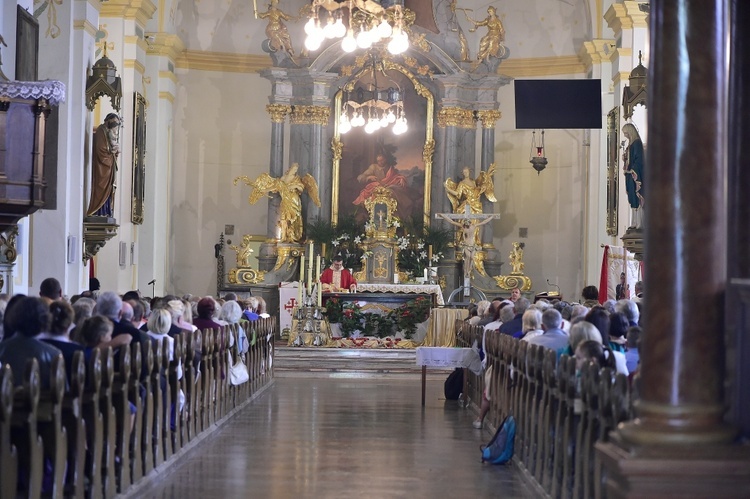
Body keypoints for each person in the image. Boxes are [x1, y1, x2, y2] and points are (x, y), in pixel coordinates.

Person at [235, 163, 320, 243]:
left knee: (294, 218)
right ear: (290, 169)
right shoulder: (283, 178)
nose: (295, 170)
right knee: (284, 218)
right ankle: (284, 236)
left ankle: (293, 236)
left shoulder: (297, 178)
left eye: (296, 169)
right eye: (294, 168)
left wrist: (293, 186)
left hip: (294, 200)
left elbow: (301, 188)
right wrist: (262, 190)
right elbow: (275, 187)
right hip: (285, 200)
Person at [0, 297, 62, 388]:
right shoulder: (53, 354)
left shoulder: (2, 348)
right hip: (42, 401)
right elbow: (61, 392)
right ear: (44, 319)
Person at [436, 213, 494, 278]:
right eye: (466, 224)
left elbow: (484, 222)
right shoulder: (463, 227)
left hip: (473, 246)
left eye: (468, 224)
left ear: (470, 223)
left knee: (472, 258)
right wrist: (443, 216)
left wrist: (491, 217)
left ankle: (469, 270)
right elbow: (451, 221)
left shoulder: (473, 226)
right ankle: (466, 271)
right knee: (468, 257)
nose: (467, 225)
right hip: (466, 246)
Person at [87, 113, 121, 217]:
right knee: (101, 188)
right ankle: (98, 211)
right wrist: (111, 151)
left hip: (109, 167)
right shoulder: (101, 131)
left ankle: (106, 211)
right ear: (108, 121)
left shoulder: (108, 132)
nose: (115, 128)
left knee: (110, 189)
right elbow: (100, 149)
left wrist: (115, 152)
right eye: (114, 124)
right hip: (102, 168)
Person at [465, 6, 507, 70]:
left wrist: (503, 38)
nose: (489, 13)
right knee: (483, 41)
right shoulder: (487, 20)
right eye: (488, 12)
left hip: (496, 35)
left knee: (491, 42)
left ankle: (485, 56)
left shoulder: (498, 21)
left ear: (494, 12)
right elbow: (479, 23)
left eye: (490, 11)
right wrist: (470, 20)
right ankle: (481, 57)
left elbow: (502, 30)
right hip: (489, 34)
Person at [622, 123, 645, 227]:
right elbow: (629, 159)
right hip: (629, 175)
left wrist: (633, 170)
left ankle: (639, 223)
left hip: (635, 174)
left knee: (637, 196)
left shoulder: (637, 144)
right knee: (632, 198)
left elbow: (639, 160)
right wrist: (625, 158)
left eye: (626, 133)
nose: (625, 135)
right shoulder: (630, 145)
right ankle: (634, 222)